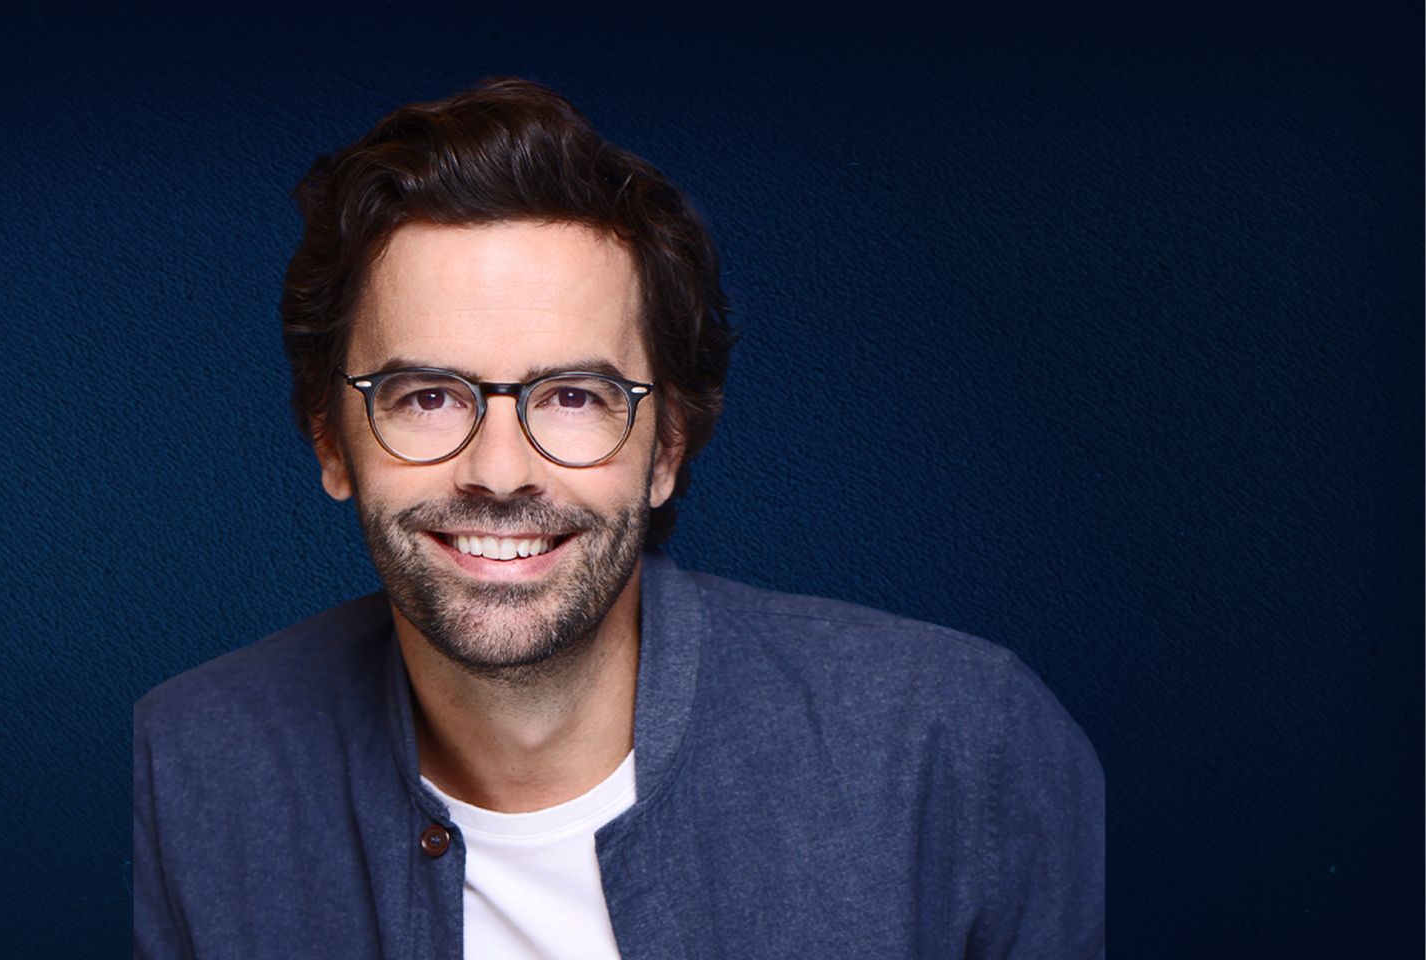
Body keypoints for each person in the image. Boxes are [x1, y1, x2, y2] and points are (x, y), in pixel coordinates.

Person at [133, 77, 1104, 959]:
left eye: (572, 396)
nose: (499, 472)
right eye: (427, 395)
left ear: (667, 447)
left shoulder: (962, 749)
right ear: (331, 442)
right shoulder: (180, 772)